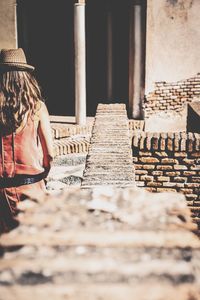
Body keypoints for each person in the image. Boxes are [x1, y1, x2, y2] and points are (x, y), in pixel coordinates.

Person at [0, 48, 54, 233]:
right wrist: (43, 174)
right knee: (34, 236)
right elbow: (50, 154)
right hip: (32, 184)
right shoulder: (37, 106)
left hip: (1, 191)